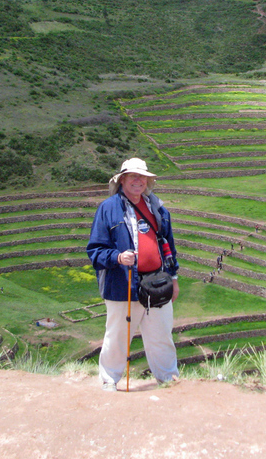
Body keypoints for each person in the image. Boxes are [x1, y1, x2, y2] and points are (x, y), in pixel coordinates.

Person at [87, 158, 180, 392]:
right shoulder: (108, 208)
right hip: (123, 285)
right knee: (117, 337)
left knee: (161, 336)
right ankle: (109, 380)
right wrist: (117, 258)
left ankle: (169, 380)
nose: (138, 181)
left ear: (148, 181)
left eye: (142, 177)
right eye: (133, 176)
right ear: (122, 180)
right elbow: (95, 250)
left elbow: (168, 245)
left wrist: (174, 278)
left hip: (157, 284)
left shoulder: (157, 207)